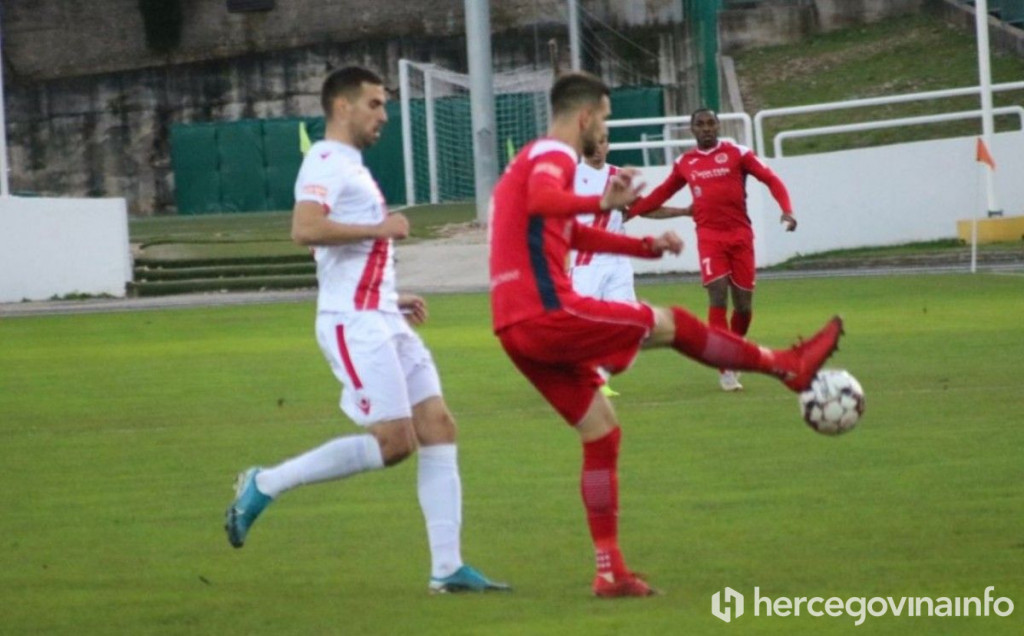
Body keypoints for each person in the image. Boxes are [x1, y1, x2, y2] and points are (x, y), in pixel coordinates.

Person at [488, 72, 842, 598]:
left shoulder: (532, 160)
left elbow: (565, 229)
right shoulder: (554, 156)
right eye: (604, 118)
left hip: (514, 327)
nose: (603, 127)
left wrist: (642, 247)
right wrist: (604, 202)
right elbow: (545, 202)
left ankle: (609, 571)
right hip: (546, 311)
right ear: (585, 116)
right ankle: (784, 365)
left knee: (602, 432)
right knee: (674, 322)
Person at [224, 66, 509, 595]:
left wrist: (390, 295)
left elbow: (342, 253)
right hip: (353, 324)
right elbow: (303, 229)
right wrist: (382, 226)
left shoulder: (350, 166)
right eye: (375, 104)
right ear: (342, 107)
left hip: (378, 313)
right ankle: (264, 483)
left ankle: (447, 568)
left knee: (439, 426)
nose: (384, 115)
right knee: (395, 443)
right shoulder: (327, 160)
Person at [627, 108, 797, 392]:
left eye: (710, 123)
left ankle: (734, 351)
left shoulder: (738, 153)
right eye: (700, 124)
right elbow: (661, 194)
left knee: (743, 305)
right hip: (709, 237)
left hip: (741, 236)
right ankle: (725, 365)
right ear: (692, 130)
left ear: (718, 126)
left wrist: (787, 210)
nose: (706, 128)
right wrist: (628, 213)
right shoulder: (685, 162)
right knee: (717, 293)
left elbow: (771, 179)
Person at [570, 132, 633, 397]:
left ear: (608, 145)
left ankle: (599, 378)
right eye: (592, 143)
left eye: (603, 142)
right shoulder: (569, 177)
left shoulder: (620, 176)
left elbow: (636, 209)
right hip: (587, 261)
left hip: (618, 262)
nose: (598, 148)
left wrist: (684, 211)